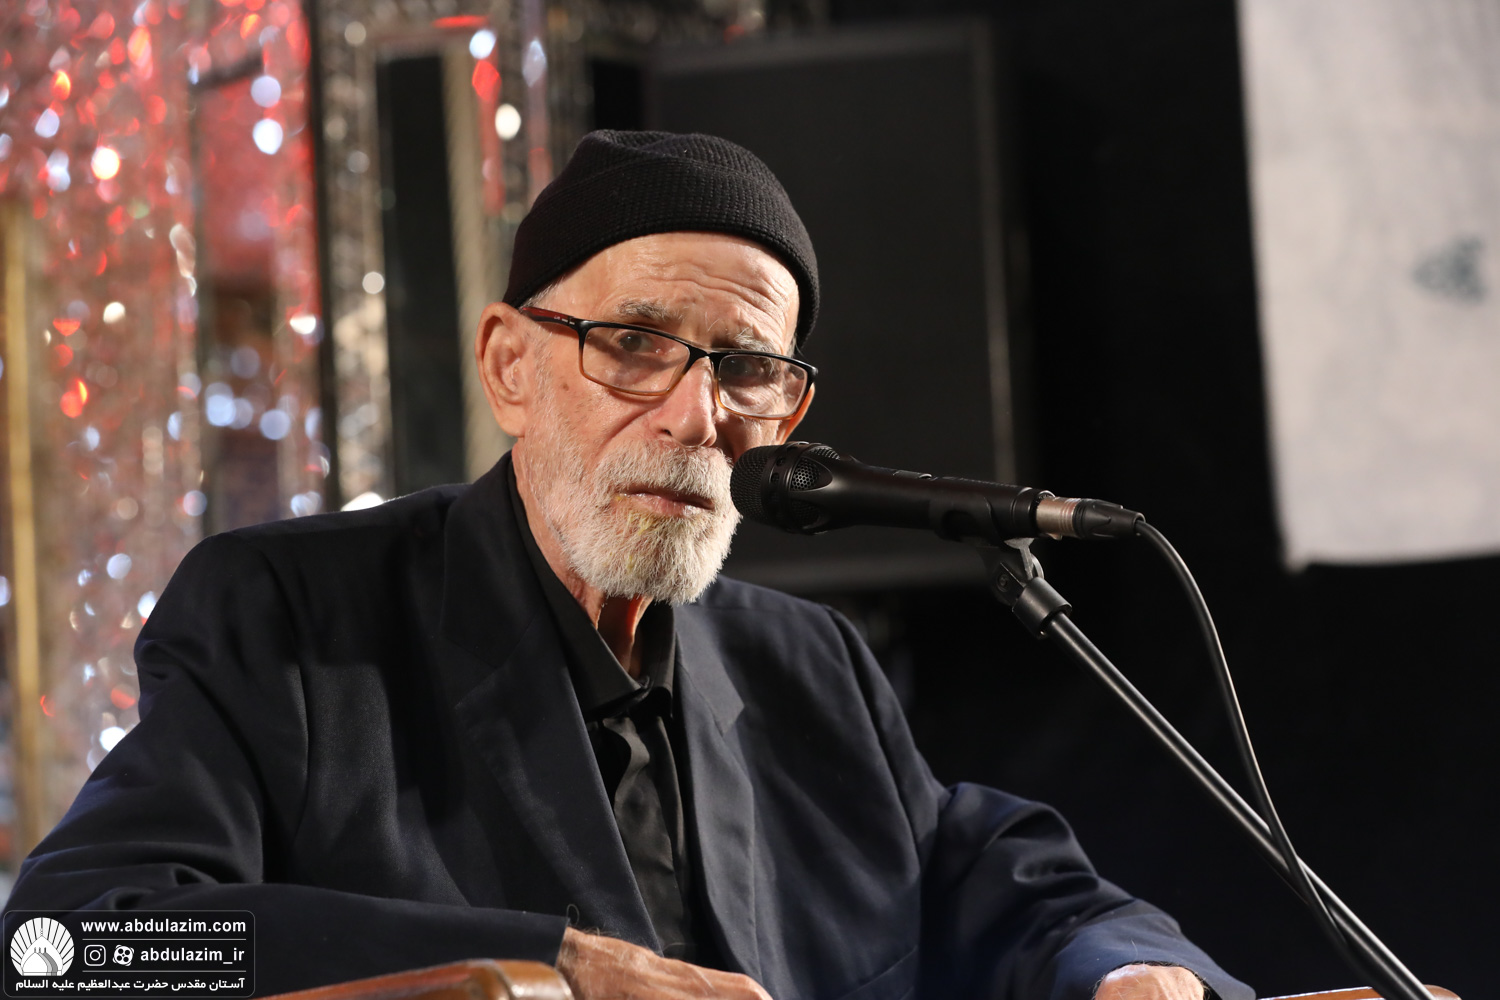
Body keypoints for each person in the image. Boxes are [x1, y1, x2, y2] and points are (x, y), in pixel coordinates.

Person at [7, 131, 1251, 1000]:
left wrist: (1129, 972)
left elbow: (1017, 893)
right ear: (510, 367)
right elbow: (67, 947)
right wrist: (549, 969)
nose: (695, 415)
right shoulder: (292, 617)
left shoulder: (805, 664)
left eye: (746, 367)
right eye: (635, 344)